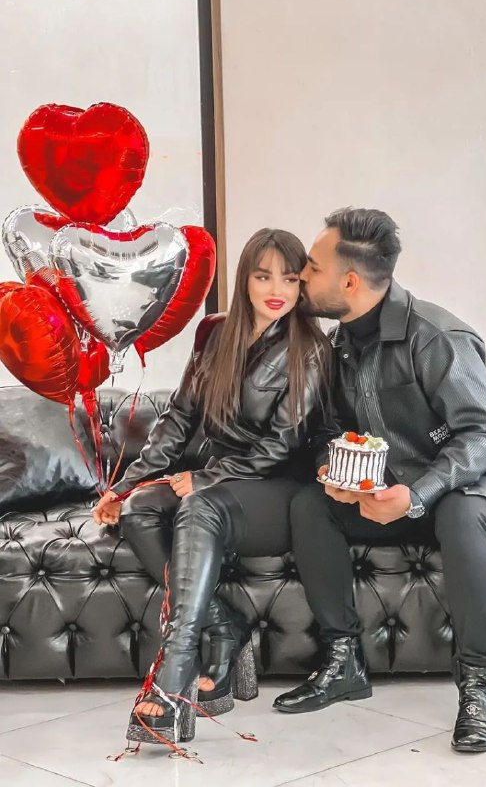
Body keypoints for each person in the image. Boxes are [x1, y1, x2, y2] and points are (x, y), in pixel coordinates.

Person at [272, 208, 486, 754]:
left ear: (349, 281)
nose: (301, 275)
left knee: (459, 512)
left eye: (312, 267)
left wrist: (418, 495)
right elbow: (330, 430)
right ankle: (343, 660)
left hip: (485, 489)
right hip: (392, 494)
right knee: (310, 505)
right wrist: (336, 473)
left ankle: (477, 686)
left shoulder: (437, 337)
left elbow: (484, 436)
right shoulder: (338, 345)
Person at [92, 228, 329, 748]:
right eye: (263, 276)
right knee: (138, 510)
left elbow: (284, 444)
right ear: (244, 280)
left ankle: (174, 671)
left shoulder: (310, 348)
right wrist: (124, 486)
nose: (277, 290)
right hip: (218, 480)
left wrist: (206, 478)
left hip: (275, 490)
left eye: (289, 279)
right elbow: (178, 419)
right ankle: (225, 625)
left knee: (197, 503)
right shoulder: (214, 333)